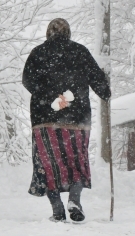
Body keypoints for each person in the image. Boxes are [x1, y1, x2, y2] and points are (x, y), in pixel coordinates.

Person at [22, 18, 111, 222]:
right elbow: (97, 78)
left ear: (48, 33)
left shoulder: (38, 53)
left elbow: (28, 80)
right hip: (76, 118)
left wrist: (50, 97)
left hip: (45, 119)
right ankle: (75, 200)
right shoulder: (80, 51)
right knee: (77, 161)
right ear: (68, 33)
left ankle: (57, 210)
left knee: (49, 164)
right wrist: (105, 90)